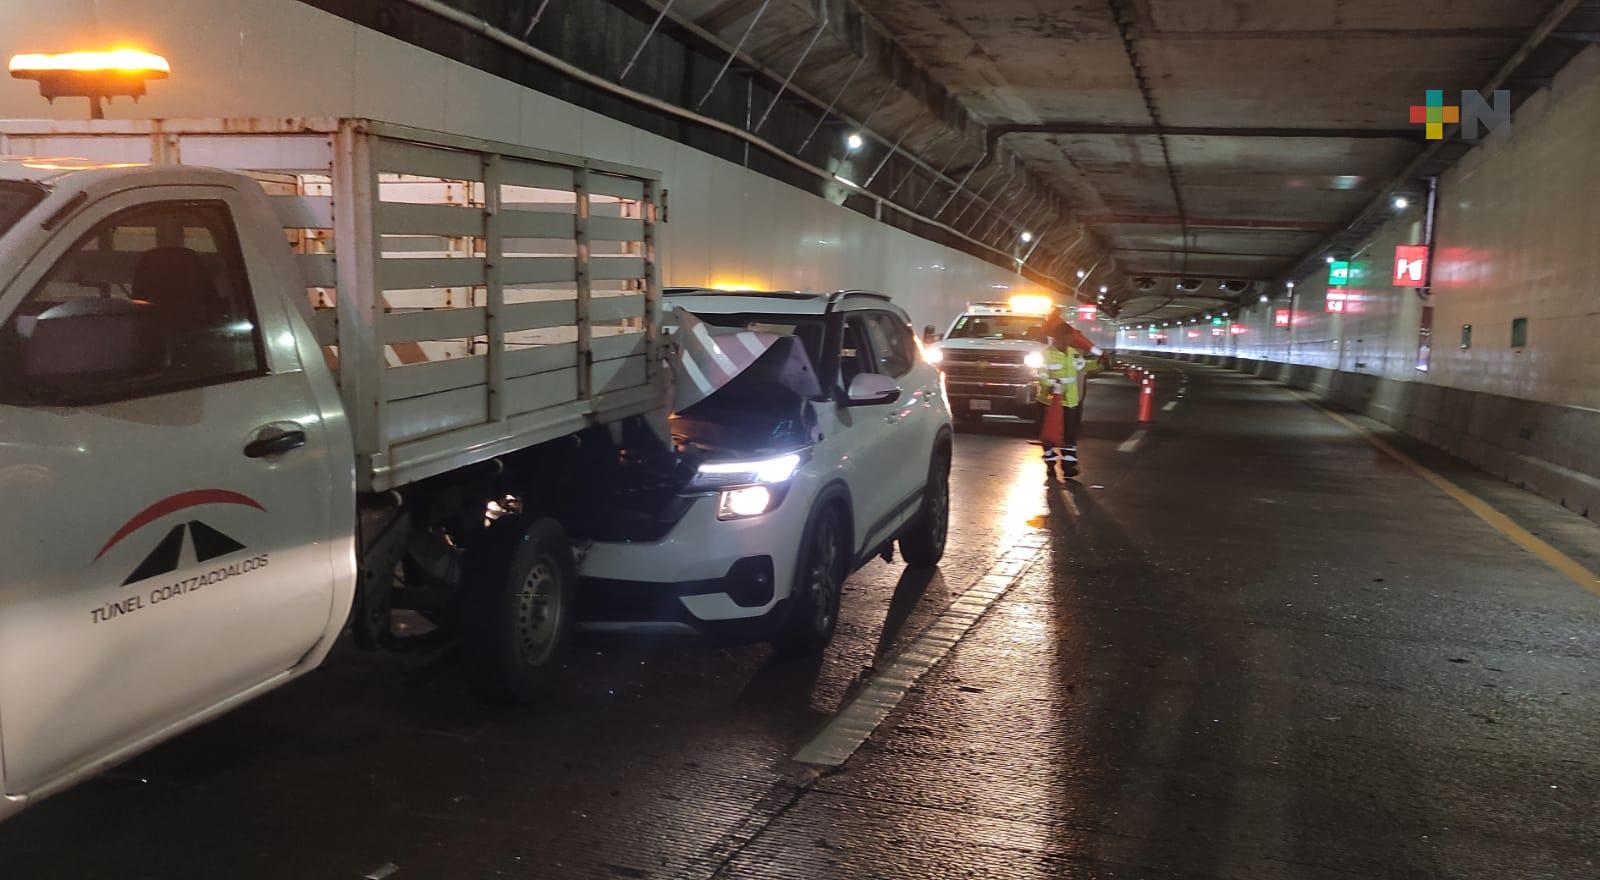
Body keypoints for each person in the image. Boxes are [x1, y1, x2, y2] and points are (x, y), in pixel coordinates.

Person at [1035, 324, 1099, 480]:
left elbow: (1083, 366)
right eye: (1069, 337)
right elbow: (1042, 378)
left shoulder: (1073, 353)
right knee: (1050, 437)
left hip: (1070, 403)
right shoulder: (1046, 355)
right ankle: (1050, 464)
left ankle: (1068, 466)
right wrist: (1053, 385)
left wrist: (1099, 362)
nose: (1071, 340)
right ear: (1059, 337)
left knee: (1070, 435)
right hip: (1049, 404)